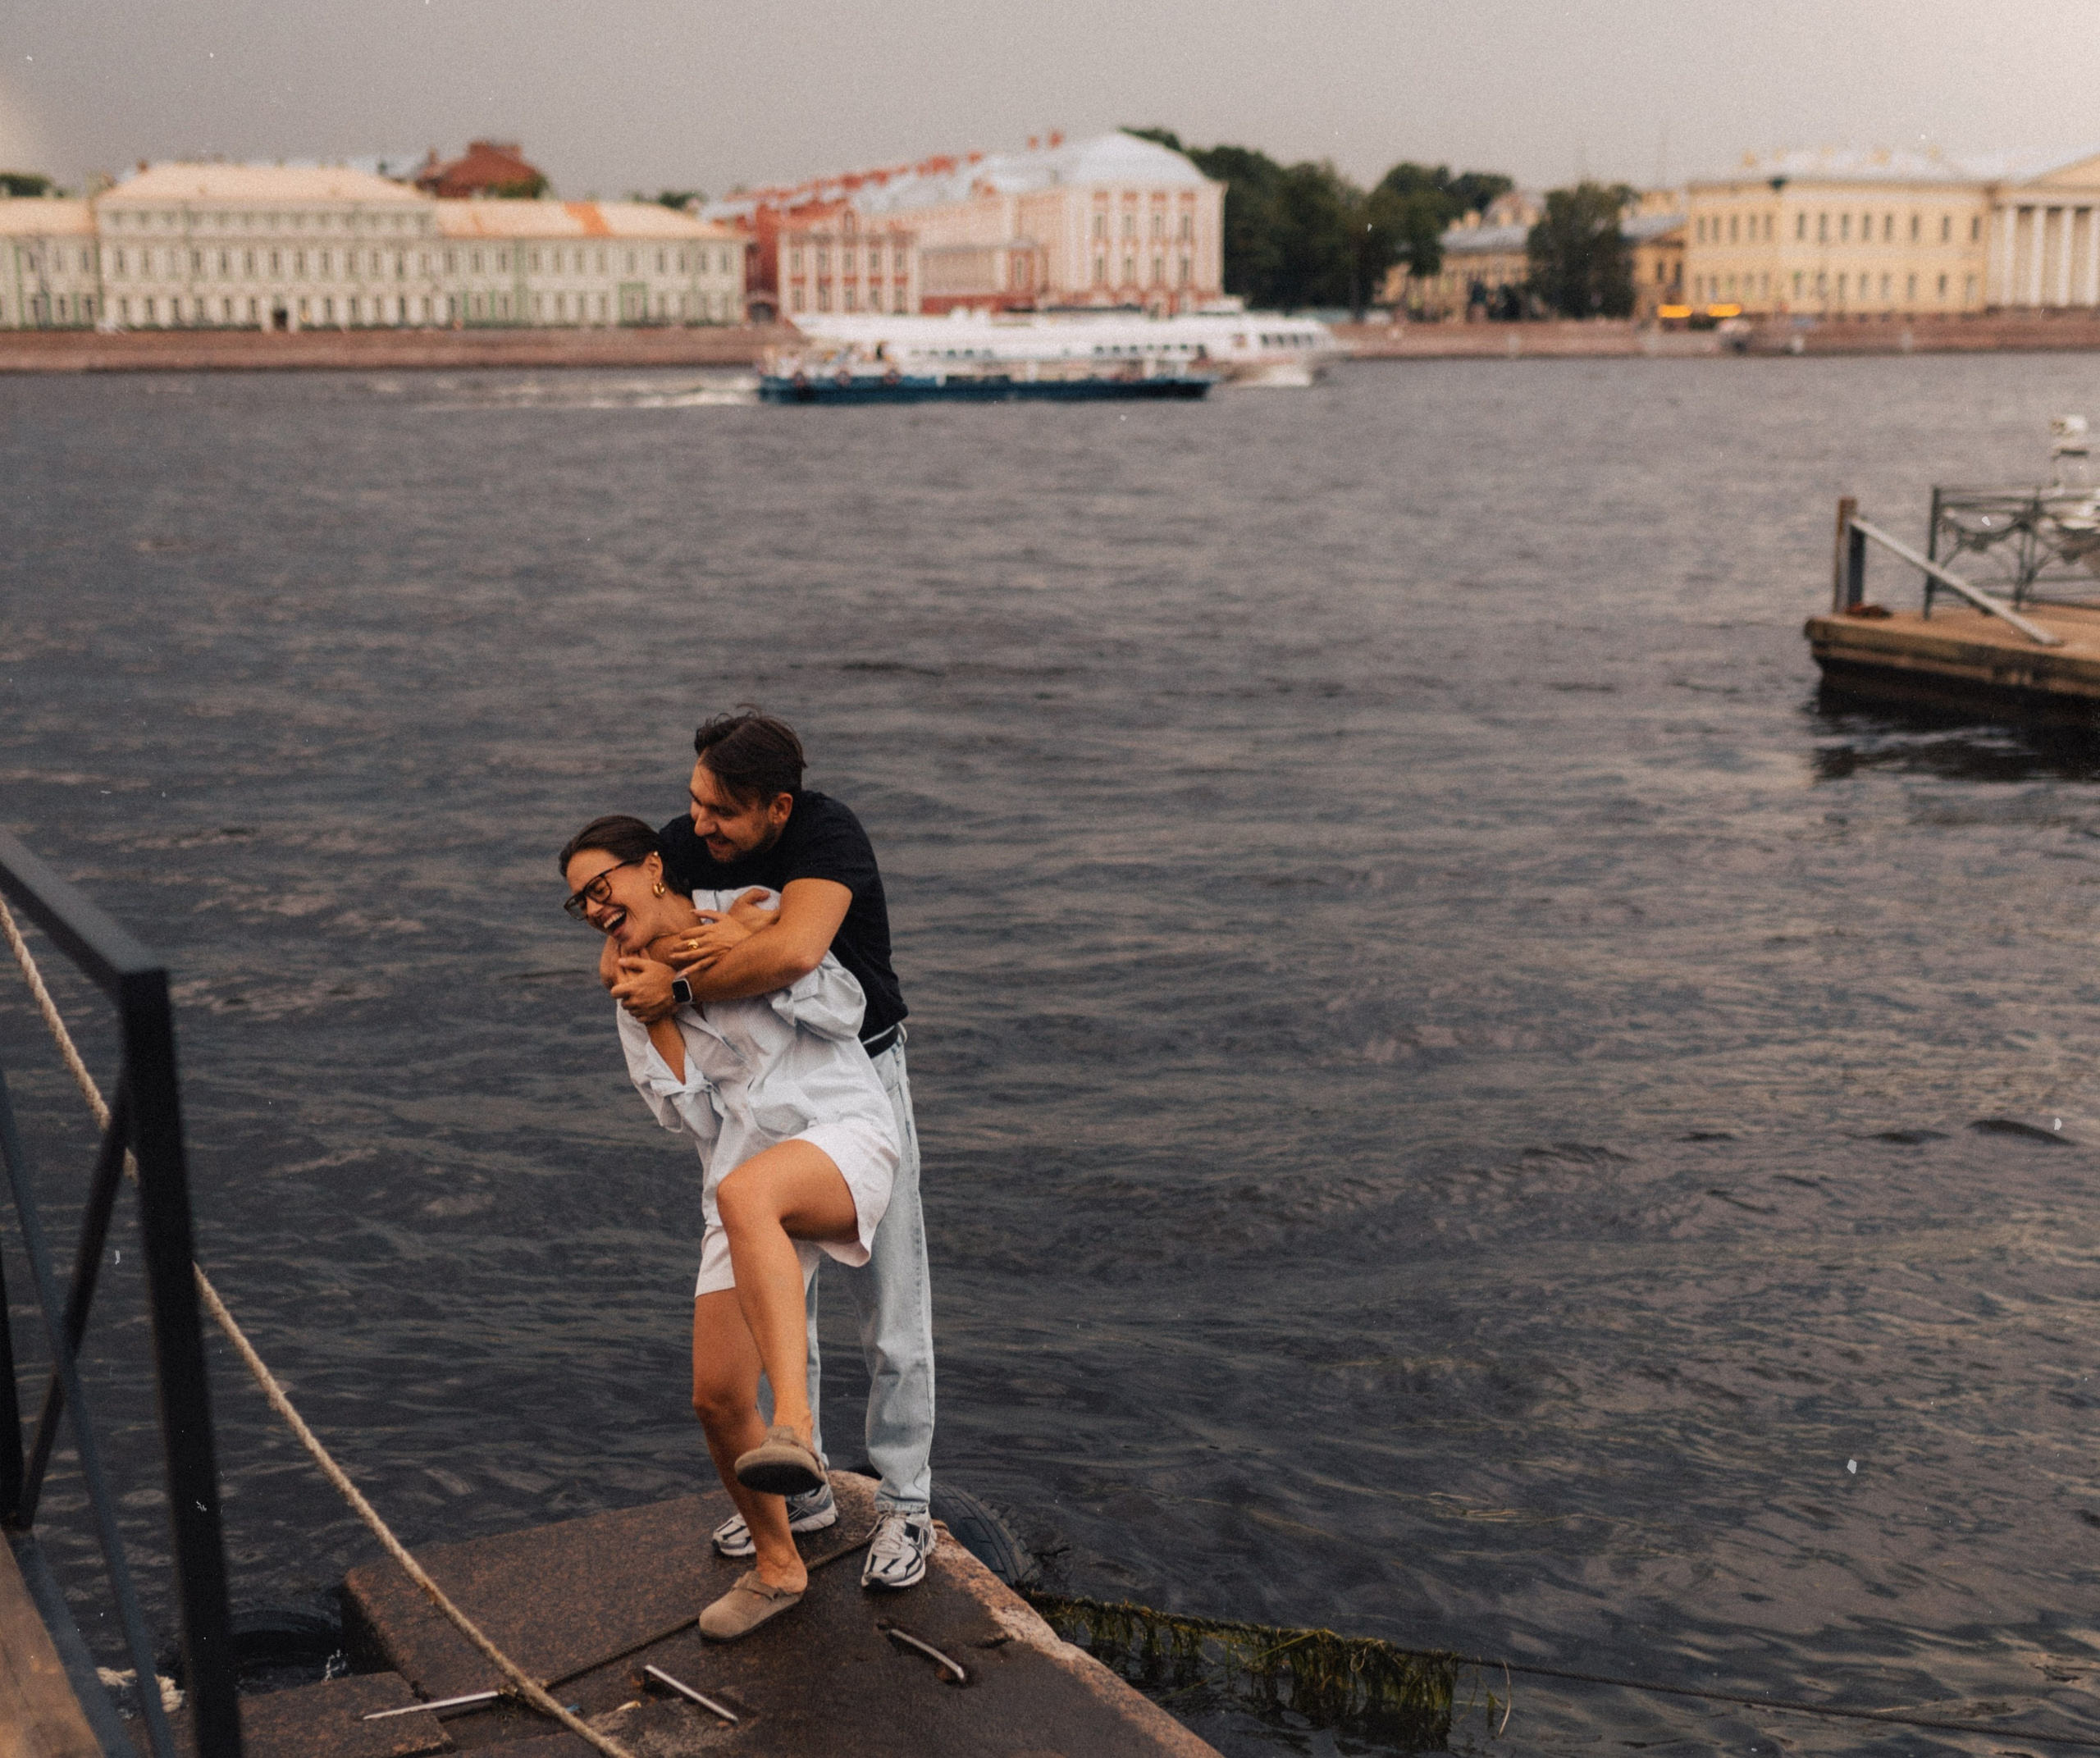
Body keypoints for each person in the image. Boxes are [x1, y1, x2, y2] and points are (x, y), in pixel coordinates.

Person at [602, 712, 938, 1591]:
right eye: (693, 801)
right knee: (778, 1293)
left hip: (859, 1073)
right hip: (761, 1091)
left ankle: (906, 1503)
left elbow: (796, 953)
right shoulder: (686, 842)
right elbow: (641, 925)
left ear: (777, 808)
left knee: (893, 1305)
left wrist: (681, 979)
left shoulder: (827, 833)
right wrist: (653, 970)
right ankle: (809, 1481)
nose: (698, 827)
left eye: (722, 812)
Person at [561, 814, 900, 1642]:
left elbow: (844, 1001)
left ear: (650, 868)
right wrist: (653, 1012)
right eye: (579, 905)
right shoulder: (632, 989)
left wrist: (726, 956)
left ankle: (797, 1427)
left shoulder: (747, 908)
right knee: (714, 1395)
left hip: (839, 1132)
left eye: (602, 886)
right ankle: (778, 1563)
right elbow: (689, 1119)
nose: (596, 908)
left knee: (750, 1194)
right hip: (743, 1171)